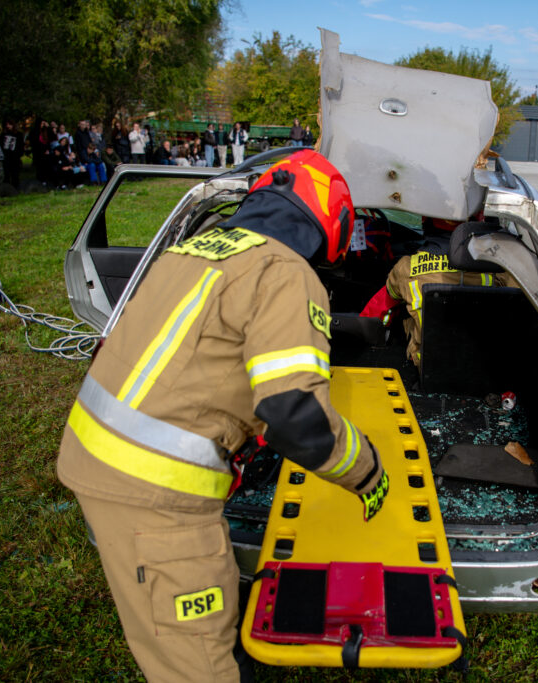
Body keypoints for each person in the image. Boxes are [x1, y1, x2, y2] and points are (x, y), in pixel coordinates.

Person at [57, 149, 388, 682]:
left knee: (176, 629)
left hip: (95, 456)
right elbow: (295, 415)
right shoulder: (284, 270)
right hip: (156, 498)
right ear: (329, 224)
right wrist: (368, 471)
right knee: (198, 662)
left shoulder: (189, 252)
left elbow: (205, 362)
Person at [361, 218, 504, 369]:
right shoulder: (498, 269)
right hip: (484, 364)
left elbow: (380, 308)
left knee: (407, 315)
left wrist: (360, 332)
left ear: (426, 224)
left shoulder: (406, 267)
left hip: (427, 365)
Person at [0, 120, 24, 188]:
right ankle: (7, 188)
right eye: (7, 124)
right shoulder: (3, 134)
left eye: (9, 124)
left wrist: (19, 154)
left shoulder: (18, 134)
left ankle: (16, 187)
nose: (8, 126)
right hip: (6, 157)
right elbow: (1, 145)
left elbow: (21, 146)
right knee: (6, 174)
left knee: (15, 174)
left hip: (15, 157)